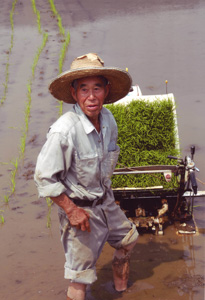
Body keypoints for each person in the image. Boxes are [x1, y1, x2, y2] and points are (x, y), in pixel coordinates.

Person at [34, 53, 139, 300]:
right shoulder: (64, 131)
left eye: (97, 88)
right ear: (74, 93)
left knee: (128, 241)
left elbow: (105, 164)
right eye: (84, 89)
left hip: (105, 204)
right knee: (80, 278)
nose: (91, 97)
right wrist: (71, 211)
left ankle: (121, 290)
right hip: (80, 212)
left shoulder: (109, 120)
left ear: (107, 90)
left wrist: (108, 197)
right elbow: (44, 178)